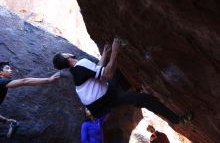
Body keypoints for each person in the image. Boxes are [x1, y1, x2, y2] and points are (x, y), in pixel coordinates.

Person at [52, 37, 192, 125]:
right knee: (147, 99)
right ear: (67, 58)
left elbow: (97, 70)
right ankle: (177, 120)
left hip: (101, 100)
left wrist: (106, 54)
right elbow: (107, 73)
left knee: (119, 76)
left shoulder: (77, 69)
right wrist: (114, 52)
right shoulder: (80, 65)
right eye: (63, 53)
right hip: (106, 100)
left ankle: (134, 94)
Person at [0, 61, 60, 138]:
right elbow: (25, 81)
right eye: (7, 68)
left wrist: (7, 121)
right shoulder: (2, 81)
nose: (11, 70)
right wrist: (48, 80)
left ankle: (12, 123)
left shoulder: (3, 84)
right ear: (0, 73)